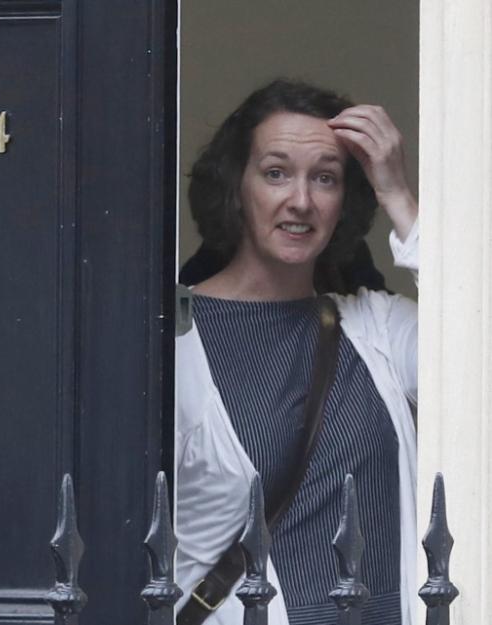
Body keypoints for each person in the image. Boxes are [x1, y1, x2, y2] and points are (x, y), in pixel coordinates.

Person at [175, 79, 418, 625]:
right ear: (237, 187)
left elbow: (475, 348)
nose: (301, 201)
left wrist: (399, 195)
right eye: (276, 172)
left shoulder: (376, 326)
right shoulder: (173, 338)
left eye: (326, 179)